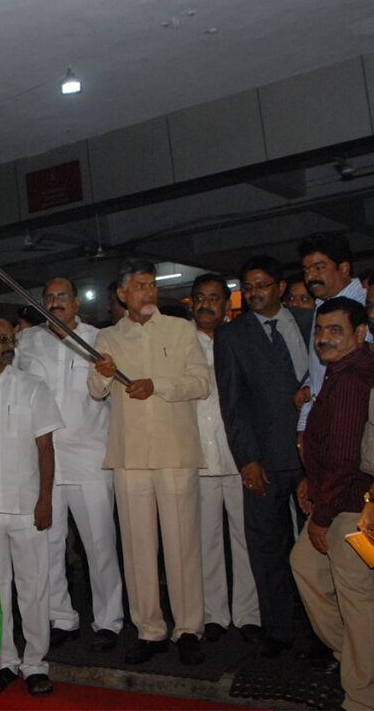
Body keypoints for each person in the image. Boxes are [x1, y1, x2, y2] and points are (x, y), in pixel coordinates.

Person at [89, 259, 210, 666]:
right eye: (139, 286)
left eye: (152, 285)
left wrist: (157, 386)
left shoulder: (180, 330)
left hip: (176, 452)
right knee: (138, 547)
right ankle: (150, 629)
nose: (148, 292)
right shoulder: (107, 337)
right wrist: (104, 373)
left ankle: (189, 628)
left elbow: (200, 383)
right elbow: (95, 390)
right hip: (130, 456)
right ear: (122, 294)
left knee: (182, 544)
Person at [14, 278, 123, 653]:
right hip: (44, 458)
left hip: (90, 455)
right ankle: (61, 616)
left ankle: (109, 620)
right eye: (48, 297)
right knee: (48, 541)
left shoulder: (100, 339)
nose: (55, 302)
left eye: (62, 296)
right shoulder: (28, 341)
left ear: (77, 302)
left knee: (99, 543)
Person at [214, 256, 312, 658]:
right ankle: (279, 630)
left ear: (281, 288)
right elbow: (232, 404)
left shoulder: (309, 323)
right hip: (264, 460)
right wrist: (247, 460)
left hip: (312, 456)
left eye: (262, 286)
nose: (254, 293)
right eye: (247, 287)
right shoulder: (232, 336)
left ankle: (320, 629)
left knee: (318, 547)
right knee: (268, 547)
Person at [290, 298, 374, 711]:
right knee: (306, 567)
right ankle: (358, 662)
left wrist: (322, 518)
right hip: (333, 499)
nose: (324, 337)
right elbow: (328, 447)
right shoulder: (337, 374)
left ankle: (362, 696)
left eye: (335, 330)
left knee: (356, 599)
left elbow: (345, 458)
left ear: (360, 333)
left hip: (352, 508)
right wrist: (310, 478)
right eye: (320, 330)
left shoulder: (355, 380)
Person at [0, 317, 63, 698]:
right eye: (0, 339)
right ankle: (5, 661)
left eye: (11, 338)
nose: (8, 344)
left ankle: (35, 664)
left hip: (28, 507)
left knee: (34, 587)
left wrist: (44, 499)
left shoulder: (32, 386)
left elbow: (46, 449)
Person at [190, 274, 261, 644]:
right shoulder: (181, 342)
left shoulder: (243, 340)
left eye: (214, 298)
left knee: (245, 538)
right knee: (206, 541)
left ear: (228, 303)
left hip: (239, 457)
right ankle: (213, 614)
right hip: (198, 456)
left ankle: (248, 613)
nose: (206, 304)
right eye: (200, 297)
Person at [297, 232, 366, 432]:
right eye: (307, 270)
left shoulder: (365, 307)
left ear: (343, 268)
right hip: (326, 425)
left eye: (319, 268)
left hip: (358, 427)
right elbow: (323, 370)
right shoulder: (321, 307)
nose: (311, 277)